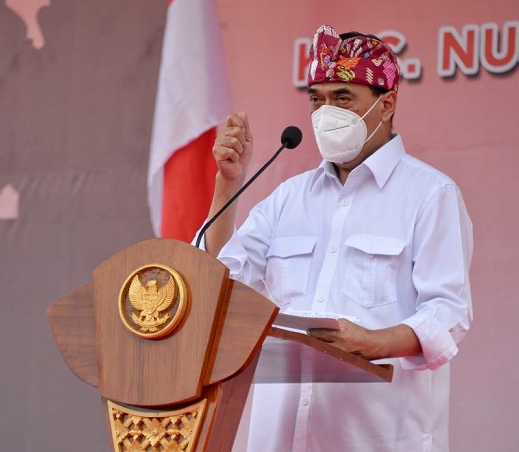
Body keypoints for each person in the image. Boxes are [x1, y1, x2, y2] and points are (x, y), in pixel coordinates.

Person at [202, 25, 473, 452]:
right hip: (281, 438)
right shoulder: (288, 197)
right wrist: (227, 182)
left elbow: (448, 313)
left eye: (343, 97)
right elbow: (218, 280)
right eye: (317, 99)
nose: (326, 112)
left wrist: (372, 342)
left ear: (387, 104)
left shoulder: (430, 194)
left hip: (377, 437)